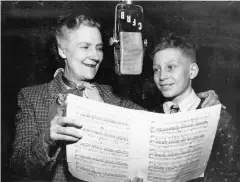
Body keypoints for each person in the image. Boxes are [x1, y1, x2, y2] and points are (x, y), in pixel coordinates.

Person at [10, 14, 222, 182]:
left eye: (99, 48)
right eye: (85, 47)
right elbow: (19, 166)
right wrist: (48, 139)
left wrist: (201, 106)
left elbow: (162, 128)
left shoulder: (113, 96)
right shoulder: (31, 97)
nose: (95, 56)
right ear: (62, 50)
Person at [151, 34, 240, 182]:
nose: (162, 76)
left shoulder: (218, 119)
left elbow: (231, 174)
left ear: (192, 71)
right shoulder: (152, 116)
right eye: (156, 69)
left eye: (171, 67)